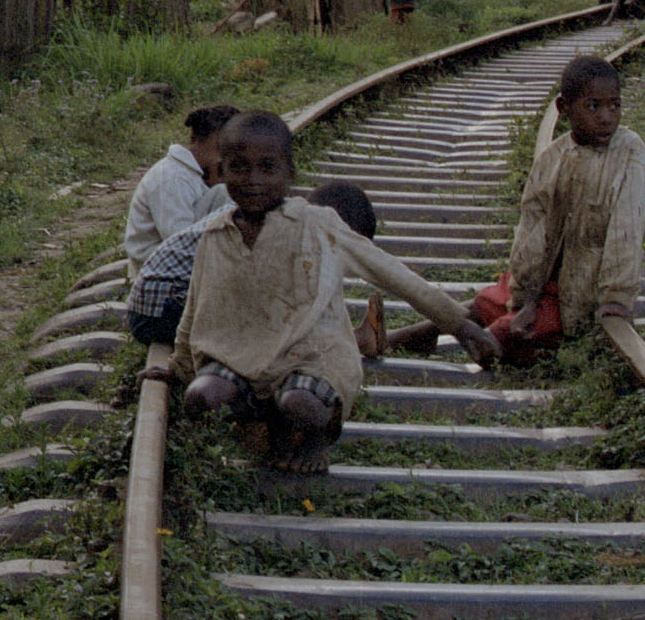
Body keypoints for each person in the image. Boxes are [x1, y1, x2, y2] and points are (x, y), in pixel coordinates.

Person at [170, 111, 499, 471]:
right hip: (240, 359)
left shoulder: (317, 224)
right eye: (239, 168)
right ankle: (265, 428)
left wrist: (460, 325)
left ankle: (316, 437)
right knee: (202, 397)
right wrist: (177, 366)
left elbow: (392, 273)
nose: (253, 180)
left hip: (309, 359)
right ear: (221, 171)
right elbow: (195, 306)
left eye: (267, 168)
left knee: (301, 404)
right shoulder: (217, 235)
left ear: (289, 173)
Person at [391, 54, 645, 368]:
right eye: (593, 106)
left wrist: (616, 300)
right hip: (542, 283)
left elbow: (627, 230)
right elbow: (531, 230)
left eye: (615, 105)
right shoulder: (553, 157)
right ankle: (419, 332)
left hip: (581, 291)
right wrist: (526, 298)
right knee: (491, 300)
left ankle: (477, 341)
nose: (607, 117)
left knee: (508, 331)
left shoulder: (629, 153)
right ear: (564, 109)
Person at [128, 177, 383, 353]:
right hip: (161, 307)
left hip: (164, 301)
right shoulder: (280, 230)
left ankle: (354, 340)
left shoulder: (279, 214)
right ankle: (356, 342)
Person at [124, 105, 238, 278]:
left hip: (174, 256)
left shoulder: (194, 172)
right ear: (211, 139)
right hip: (156, 268)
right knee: (224, 194)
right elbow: (177, 240)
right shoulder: (173, 177)